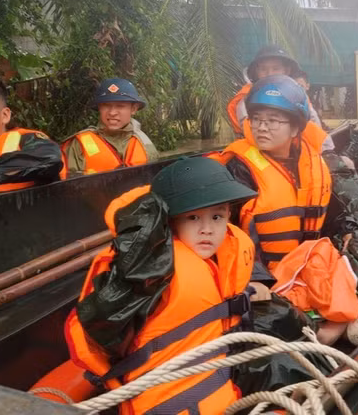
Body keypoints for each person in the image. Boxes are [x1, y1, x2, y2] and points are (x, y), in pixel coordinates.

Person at [65, 157, 258, 414]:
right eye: (192, 218)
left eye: (216, 216)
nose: (207, 229)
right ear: (169, 223)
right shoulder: (154, 271)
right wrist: (130, 274)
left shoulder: (226, 257)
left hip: (218, 393)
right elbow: (103, 325)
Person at [213, 75, 332, 277]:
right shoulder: (239, 168)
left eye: (273, 120)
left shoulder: (313, 163)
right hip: (265, 276)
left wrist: (348, 231)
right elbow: (229, 232)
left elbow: (329, 216)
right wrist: (257, 278)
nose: (262, 127)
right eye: (256, 119)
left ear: (295, 128)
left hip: (308, 268)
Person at [227, 45, 335, 152]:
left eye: (276, 68)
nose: (269, 74)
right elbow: (250, 131)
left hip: (295, 150)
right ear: (256, 72)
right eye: (263, 69)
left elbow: (313, 124)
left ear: (286, 71)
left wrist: (326, 151)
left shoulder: (296, 94)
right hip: (259, 152)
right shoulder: (247, 97)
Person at [63, 78, 158, 175]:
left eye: (120, 106)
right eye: (106, 105)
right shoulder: (78, 145)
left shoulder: (144, 143)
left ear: (133, 109)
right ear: (99, 108)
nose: (112, 112)